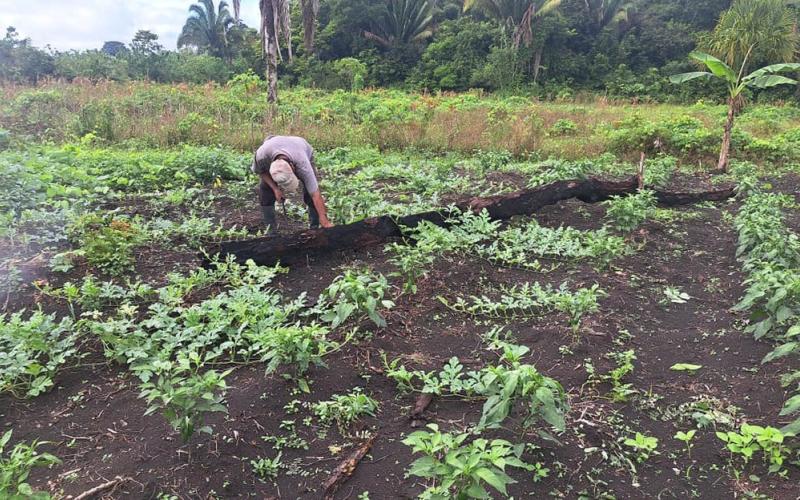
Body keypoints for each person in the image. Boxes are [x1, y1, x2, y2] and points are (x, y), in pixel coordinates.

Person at [252, 135, 333, 231]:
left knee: (309, 192)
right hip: (273, 147)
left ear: (292, 166)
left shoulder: (303, 164)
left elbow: (315, 194)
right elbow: (261, 171)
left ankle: (314, 228)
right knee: (265, 190)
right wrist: (275, 189)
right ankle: (271, 231)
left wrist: (325, 221)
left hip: (300, 146)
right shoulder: (261, 157)